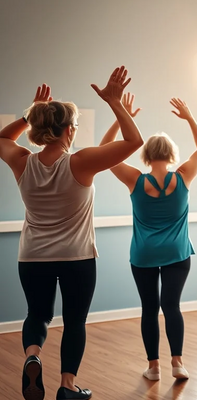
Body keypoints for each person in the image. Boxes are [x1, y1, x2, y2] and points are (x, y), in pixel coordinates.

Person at [0, 68, 144, 400]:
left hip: (32, 256)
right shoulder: (80, 162)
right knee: (74, 321)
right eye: (75, 126)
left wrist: (30, 113)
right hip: (77, 258)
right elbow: (134, 141)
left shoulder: (23, 161)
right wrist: (114, 102)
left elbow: (2, 140)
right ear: (68, 130)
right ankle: (67, 387)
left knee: (37, 315)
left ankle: (32, 354)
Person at [100, 95, 197, 382]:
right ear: (171, 154)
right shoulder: (183, 176)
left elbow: (103, 151)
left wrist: (119, 118)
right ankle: (178, 363)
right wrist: (189, 117)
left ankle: (154, 367)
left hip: (144, 254)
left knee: (150, 309)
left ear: (146, 154)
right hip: (177, 253)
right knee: (172, 306)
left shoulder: (135, 179)